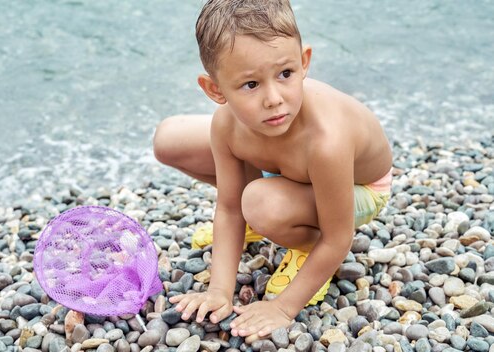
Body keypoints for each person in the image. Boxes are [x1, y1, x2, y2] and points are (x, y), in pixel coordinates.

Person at [154, 0, 393, 341]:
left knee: (261, 203)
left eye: (285, 74)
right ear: (215, 90)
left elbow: (339, 236)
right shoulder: (228, 124)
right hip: (284, 170)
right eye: (251, 84)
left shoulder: (326, 140)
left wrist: (282, 307)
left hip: (358, 187)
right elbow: (229, 206)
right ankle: (269, 216)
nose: (274, 99)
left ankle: (305, 246)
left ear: (304, 62)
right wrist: (220, 291)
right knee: (168, 139)